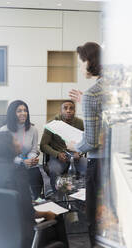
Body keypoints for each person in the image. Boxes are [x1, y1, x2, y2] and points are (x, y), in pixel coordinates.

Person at [0, 130, 68, 247]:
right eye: (15, 140)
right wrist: (47, 214)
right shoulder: (17, 172)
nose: (18, 142)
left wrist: (28, 202)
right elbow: (29, 213)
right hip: (24, 233)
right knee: (57, 216)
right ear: (8, 147)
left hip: (0, 228)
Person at [67, 42, 104, 248]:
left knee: (95, 217)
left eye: (81, 62)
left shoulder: (92, 94)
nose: (80, 67)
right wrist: (85, 101)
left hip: (99, 165)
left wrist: (75, 146)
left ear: (90, 62)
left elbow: (90, 141)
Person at [0, 100, 43, 200]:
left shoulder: (33, 129)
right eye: (19, 111)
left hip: (29, 163)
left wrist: (31, 159)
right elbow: (4, 155)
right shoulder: (4, 130)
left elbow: (34, 149)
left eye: (25, 110)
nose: (23, 113)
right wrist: (22, 162)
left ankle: (35, 201)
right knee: (19, 186)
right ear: (12, 113)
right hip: (11, 165)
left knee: (37, 177)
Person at [40, 100, 84, 192]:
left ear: (75, 111)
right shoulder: (52, 123)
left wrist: (80, 152)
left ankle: (82, 196)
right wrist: (57, 154)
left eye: (71, 108)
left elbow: (85, 142)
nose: (68, 110)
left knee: (90, 168)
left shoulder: (80, 123)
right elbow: (43, 145)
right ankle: (57, 195)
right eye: (65, 108)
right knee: (55, 171)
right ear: (60, 111)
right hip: (58, 156)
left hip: (75, 156)